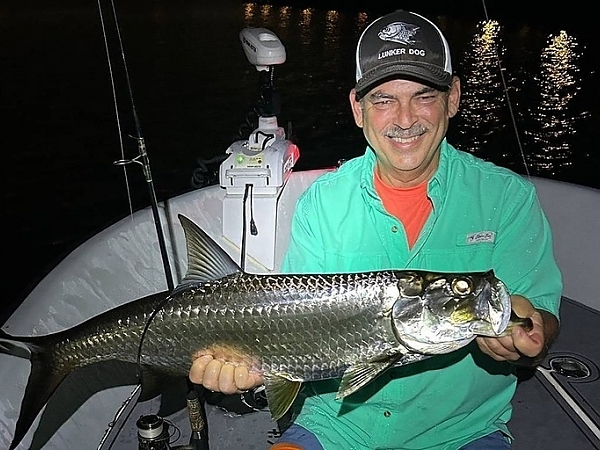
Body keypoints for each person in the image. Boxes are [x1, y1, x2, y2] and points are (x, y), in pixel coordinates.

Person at [189, 9, 562, 449]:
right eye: (383, 100)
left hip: (460, 433)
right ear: (358, 109)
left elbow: (542, 314)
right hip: (334, 426)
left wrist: (531, 330)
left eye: (424, 96)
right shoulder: (323, 203)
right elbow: (291, 325)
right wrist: (244, 367)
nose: (405, 119)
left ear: (454, 98)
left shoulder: (506, 197)